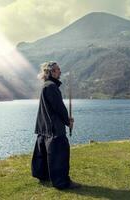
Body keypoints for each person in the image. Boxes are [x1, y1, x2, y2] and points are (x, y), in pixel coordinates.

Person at [31, 61, 81, 190]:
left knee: (44, 153)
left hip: (44, 127)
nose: (60, 71)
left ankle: (43, 175)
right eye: (58, 69)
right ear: (51, 72)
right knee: (60, 154)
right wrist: (67, 121)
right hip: (54, 128)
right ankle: (61, 182)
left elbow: (52, 108)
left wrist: (65, 119)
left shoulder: (46, 85)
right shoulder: (51, 87)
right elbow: (59, 108)